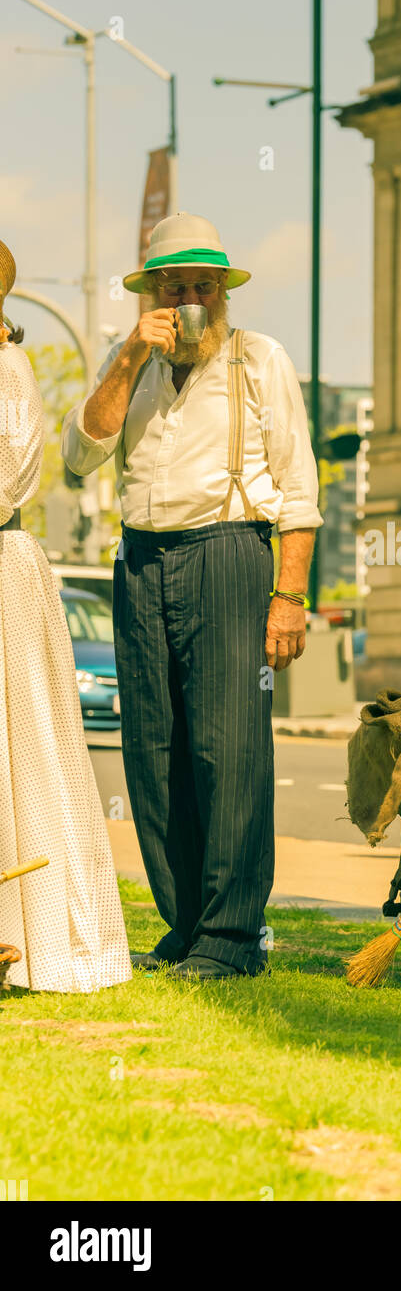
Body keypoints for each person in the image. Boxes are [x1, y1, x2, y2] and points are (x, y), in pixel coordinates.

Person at [61, 213, 323, 980]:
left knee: (229, 746)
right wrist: (125, 359)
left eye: (203, 286)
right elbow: (80, 455)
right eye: (174, 286)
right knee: (154, 747)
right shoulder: (130, 365)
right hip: (141, 561)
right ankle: (185, 924)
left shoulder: (259, 361)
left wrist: (290, 596)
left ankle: (233, 936)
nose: (190, 299)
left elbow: (300, 492)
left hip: (228, 553)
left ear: (223, 294)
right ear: (150, 294)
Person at [0, 239, 131, 992]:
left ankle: (32, 934)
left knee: (23, 751)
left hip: (3, 573)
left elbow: (11, 475)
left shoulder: (10, 372)